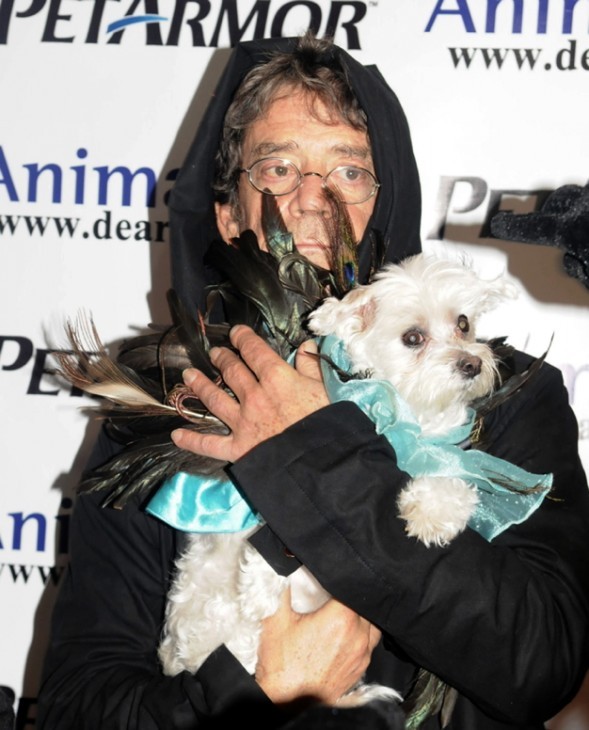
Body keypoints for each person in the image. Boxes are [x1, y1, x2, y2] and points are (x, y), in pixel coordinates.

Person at [36, 34, 589, 730]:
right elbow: (77, 707)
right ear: (227, 212)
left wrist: (312, 451)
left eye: (350, 171)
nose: (313, 200)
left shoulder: (502, 393)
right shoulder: (161, 407)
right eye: (276, 168)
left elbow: (538, 661)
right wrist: (250, 695)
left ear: (388, 198)